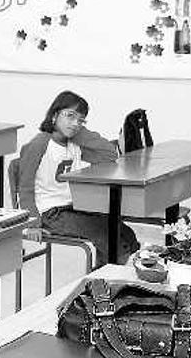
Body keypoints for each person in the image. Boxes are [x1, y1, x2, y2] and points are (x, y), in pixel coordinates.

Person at [18, 90, 139, 267]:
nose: (75, 123)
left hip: (72, 207)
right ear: (54, 115)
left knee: (124, 232)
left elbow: (109, 154)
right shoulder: (39, 145)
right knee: (110, 238)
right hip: (49, 213)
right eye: (70, 116)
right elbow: (25, 188)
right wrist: (33, 224)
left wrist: (77, 131)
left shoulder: (75, 144)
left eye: (80, 120)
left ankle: (100, 281)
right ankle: (101, 285)